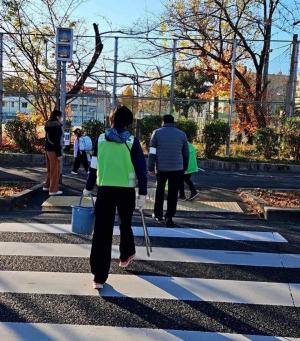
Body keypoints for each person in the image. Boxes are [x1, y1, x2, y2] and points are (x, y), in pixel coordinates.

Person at [83, 105, 147, 290]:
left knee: (102, 232)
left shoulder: (101, 139)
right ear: (129, 123)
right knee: (125, 223)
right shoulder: (133, 141)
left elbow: (93, 166)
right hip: (126, 191)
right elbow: (141, 170)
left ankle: (98, 277)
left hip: (105, 190)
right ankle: (126, 254)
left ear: (111, 120)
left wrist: (88, 187)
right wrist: (142, 192)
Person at [148, 114, 189, 227]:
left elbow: (152, 152)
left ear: (163, 122)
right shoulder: (182, 134)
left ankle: (158, 214)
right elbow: (186, 153)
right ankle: (169, 217)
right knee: (173, 193)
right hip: (177, 168)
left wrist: (150, 167)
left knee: (160, 191)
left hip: (161, 168)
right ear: (173, 122)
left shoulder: (157, 133)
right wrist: (184, 167)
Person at [43, 109, 63, 196]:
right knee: (55, 170)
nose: (62, 118)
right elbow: (57, 141)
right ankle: (53, 190)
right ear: (57, 117)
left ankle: (47, 186)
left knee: (50, 169)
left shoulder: (48, 124)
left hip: (47, 149)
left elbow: (48, 138)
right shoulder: (57, 126)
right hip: (54, 150)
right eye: (61, 116)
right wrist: (59, 154)